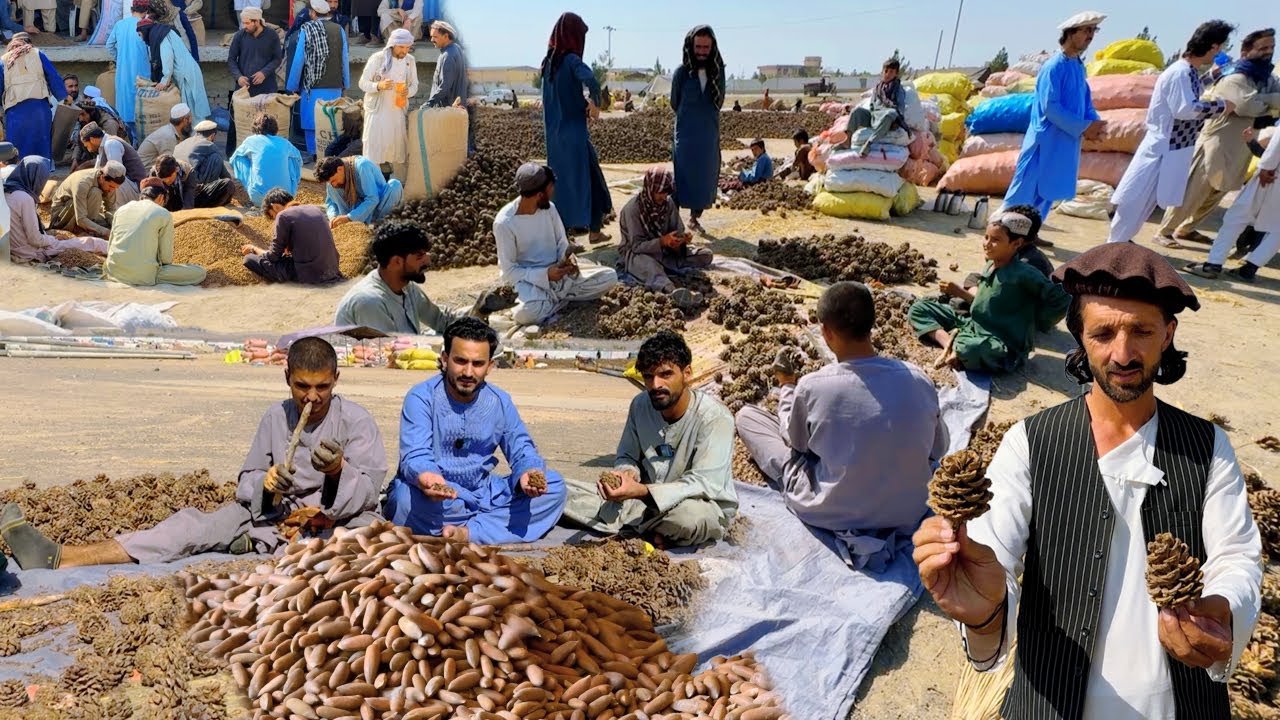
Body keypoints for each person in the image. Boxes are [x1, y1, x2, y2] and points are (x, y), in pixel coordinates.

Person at [912, 242, 1261, 718]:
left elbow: (1237, 557)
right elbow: (992, 552)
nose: (1123, 353)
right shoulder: (1030, 442)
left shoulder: (1207, 445)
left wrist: (1221, 607)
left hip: (1179, 705)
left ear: (1168, 335)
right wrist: (985, 612)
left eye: (1141, 330)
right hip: (1049, 703)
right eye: (1103, 333)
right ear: (1079, 337)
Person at [1, 338, 388, 570]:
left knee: (366, 542)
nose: (312, 397)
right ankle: (62, 558)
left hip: (334, 524)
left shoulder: (356, 420)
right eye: (302, 386)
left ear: (336, 379)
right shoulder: (275, 416)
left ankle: (262, 547)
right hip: (274, 516)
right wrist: (266, 484)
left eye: (322, 387)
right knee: (191, 526)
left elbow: (369, 492)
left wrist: (338, 471)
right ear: (286, 378)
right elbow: (247, 481)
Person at [736, 282, 945, 568]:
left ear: (826, 332)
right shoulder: (919, 378)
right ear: (872, 323)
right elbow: (938, 448)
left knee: (749, 417)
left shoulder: (813, 386)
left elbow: (796, 443)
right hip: (909, 509)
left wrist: (787, 388)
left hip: (830, 509)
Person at [382, 317, 567, 544]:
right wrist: (429, 479)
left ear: (490, 366)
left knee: (555, 487)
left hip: (482, 493)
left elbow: (521, 448)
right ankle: (489, 527)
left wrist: (528, 472)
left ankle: (467, 533)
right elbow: (415, 454)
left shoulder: (499, 401)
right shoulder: (422, 397)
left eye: (478, 364)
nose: (468, 372)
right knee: (404, 500)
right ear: (445, 359)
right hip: (439, 498)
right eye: (460, 361)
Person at [563, 331, 737, 547]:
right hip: (641, 500)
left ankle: (636, 527)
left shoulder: (715, 418)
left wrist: (643, 492)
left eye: (666, 374)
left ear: (687, 373)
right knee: (560, 489)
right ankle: (648, 530)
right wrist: (628, 473)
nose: (655, 385)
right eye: (648, 376)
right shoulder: (640, 405)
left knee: (690, 519)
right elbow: (627, 455)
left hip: (694, 503)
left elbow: (703, 483)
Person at [1107, 22, 1235, 247]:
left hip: (1173, 148)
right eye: (1220, 48)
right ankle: (1114, 244)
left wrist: (1213, 76)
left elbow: (1190, 92)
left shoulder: (1188, 72)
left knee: (1147, 201)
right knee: (1136, 198)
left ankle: (1122, 242)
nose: (1220, 53)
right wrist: (1221, 106)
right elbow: (1184, 109)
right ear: (1213, 47)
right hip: (1163, 147)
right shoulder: (1180, 73)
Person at [1156, 28, 1280, 245]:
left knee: (1219, 191)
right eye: (1262, 48)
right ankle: (1165, 231)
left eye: (1271, 48)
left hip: (1242, 146)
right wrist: (1268, 104)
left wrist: (1262, 100)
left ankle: (1187, 229)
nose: (1268, 52)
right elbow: (1245, 106)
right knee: (1196, 189)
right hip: (1218, 142)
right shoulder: (1234, 75)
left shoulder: (1267, 78)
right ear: (1246, 51)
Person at [909, 211, 1071, 373]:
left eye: (995, 240)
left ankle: (960, 348)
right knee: (919, 308)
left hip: (1000, 340)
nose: (987, 244)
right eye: (986, 237)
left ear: (1016, 243)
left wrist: (1038, 321)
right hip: (973, 325)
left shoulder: (1024, 274)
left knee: (972, 349)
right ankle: (949, 345)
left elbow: (1061, 298)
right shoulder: (991, 263)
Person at [1002, 11, 1106, 219]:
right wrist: (1083, 127)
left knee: (1048, 190)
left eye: (1094, 30)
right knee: (1025, 188)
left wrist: (1094, 122)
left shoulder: (1077, 67)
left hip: (1065, 141)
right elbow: (1051, 107)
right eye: (1086, 30)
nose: (1091, 35)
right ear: (1070, 33)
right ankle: (1006, 230)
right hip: (1046, 140)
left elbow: (1084, 101)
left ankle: (1031, 232)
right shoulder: (1054, 67)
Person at [493, 162, 618, 327]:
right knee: (525, 313)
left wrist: (567, 260)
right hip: (529, 282)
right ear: (539, 194)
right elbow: (509, 272)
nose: (552, 193)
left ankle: (554, 300)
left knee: (609, 277)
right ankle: (559, 299)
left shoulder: (549, 209)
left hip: (560, 274)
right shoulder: (504, 223)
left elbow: (561, 243)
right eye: (550, 188)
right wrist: (545, 274)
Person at [540, 12, 611, 244]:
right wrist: (595, 104)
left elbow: (562, 98)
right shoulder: (571, 60)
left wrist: (582, 104)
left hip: (554, 138)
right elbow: (590, 80)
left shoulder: (548, 64)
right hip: (575, 137)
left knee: (561, 187)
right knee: (591, 182)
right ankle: (591, 231)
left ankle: (574, 236)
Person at [1184, 120, 1280, 283]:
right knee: (1276, 229)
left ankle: (1213, 264)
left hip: (1272, 178)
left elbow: (1276, 145)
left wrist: (1266, 167)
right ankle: (1249, 270)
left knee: (1236, 218)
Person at [334, 220, 467, 333]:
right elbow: (388, 355)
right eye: (419, 257)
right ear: (396, 262)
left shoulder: (406, 287)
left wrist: (479, 311)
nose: (428, 261)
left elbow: (441, 320)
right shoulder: (369, 302)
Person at [618, 166, 711, 308]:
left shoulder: (668, 203)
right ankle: (672, 291)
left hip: (666, 251)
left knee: (705, 255)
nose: (663, 196)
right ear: (650, 188)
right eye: (660, 192)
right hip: (637, 253)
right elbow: (636, 246)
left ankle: (670, 267)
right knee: (651, 268)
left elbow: (677, 229)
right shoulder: (632, 210)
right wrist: (661, 241)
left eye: (666, 192)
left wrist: (681, 239)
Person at [101, 177, 205, 285]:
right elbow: (166, 259)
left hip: (113, 271)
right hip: (143, 276)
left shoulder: (121, 210)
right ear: (161, 197)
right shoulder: (163, 213)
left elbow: (110, 247)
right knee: (199, 272)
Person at [671, 24, 724, 234]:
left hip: (708, 135)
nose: (702, 51)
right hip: (686, 135)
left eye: (706, 47)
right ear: (690, 46)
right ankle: (673, 221)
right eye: (698, 47)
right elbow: (675, 102)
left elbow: (719, 102)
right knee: (682, 176)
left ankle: (694, 218)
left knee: (706, 176)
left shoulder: (718, 72)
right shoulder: (681, 73)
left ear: (712, 47)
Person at [4, 156, 108, 263]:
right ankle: (119, 251)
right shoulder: (24, 198)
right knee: (92, 243)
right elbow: (35, 239)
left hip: (12, 249)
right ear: (36, 177)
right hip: (30, 252)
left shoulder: (6, 192)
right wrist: (53, 240)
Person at [285, 0, 349, 154]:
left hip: (311, 88)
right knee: (331, 123)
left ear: (313, 13)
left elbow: (299, 60)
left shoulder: (306, 29)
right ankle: (330, 155)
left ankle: (315, 155)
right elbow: (344, 59)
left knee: (311, 123)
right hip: (335, 87)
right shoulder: (339, 29)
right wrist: (345, 83)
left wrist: (292, 87)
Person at [243, 187, 342, 284]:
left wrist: (254, 249)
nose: (275, 220)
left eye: (273, 216)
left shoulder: (283, 216)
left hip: (310, 275)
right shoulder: (315, 209)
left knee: (250, 259)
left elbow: (273, 257)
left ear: (275, 207)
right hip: (333, 270)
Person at [0, 33, 68, 158]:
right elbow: (53, 77)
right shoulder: (37, 54)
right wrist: (64, 97)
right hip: (40, 109)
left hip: (16, 112)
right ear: (28, 43)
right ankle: (41, 173)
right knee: (40, 145)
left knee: (16, 148)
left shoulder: (4, 60)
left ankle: (18, 173)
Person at [359, 28, 418, 170]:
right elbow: (362, 83)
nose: (405, 51)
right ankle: (373, 186)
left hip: (397, 111)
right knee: (373, 152)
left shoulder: (410, 61)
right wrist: (378, 85)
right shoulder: (377, 59)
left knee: (398, 151)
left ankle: (396, 186)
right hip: (378, 111)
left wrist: (408, 91)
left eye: (408, 47)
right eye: (402, 47)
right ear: (392, 45)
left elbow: (415, 85)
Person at [137, 17, 210, 122]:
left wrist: (164, 81)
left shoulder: (160, 36)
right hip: (187, 72)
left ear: (145, 31)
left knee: (192, 112)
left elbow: (167, 58)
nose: (142, 38)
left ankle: (197, 136)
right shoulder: (160, 32)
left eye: (140, 35)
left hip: (187, 75)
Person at [230, 113, 302, 205]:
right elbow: (299, 160)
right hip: (285, 198)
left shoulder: (251, 140)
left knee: (239, 157)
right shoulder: (285, 143)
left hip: (259, 199)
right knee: (292, 160)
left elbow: (233, 158)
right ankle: (290, 188)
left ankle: (250, 186)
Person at [316, 155, 403, 227]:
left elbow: (373, 199)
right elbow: (330, 203)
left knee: (395, 185)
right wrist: (333, 217)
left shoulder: (362, 166)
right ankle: (349, 226)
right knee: (334, 188)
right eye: (330, 182)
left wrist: (349, 217)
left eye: (333, 180)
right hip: (354, 213)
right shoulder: (333, 179)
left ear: (340, 169)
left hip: (378, 209)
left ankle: (380, 227)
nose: (333, 184)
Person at [426, 20, 470, 152]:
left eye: (435, 37)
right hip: (456, 108)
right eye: (431, 36)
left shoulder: (448, 56)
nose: (432, 40)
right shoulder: (456, 49)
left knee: (448, 148)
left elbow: (444, 86)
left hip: (449, 109)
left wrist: (429, 104)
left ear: (446, 36)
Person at [49, 162, 123, 237]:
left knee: (110, 224)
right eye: (110, 186)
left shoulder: (110, 184)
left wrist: (115, 225)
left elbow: (110, 209)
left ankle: (89, 226)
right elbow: (80, 219)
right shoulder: (82, 183)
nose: (111, 190)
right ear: (102, 178)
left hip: (83, 213)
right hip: (60, 216)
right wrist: (106, 232)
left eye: (115, 187)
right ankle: (81, 229)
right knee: (95, 192)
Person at [107, 3, 148, 137]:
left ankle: (131, 140)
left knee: (124, 108)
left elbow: (109, 45)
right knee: (141, 107)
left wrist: (118, 58)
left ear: (131, 9)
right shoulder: (146, 25)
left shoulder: (120, 25)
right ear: (146, 11)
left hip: (123, 73)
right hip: (143, 73)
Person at [82, 121, 147, 203]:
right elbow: (96, 171)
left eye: (87, 146)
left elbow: (116, 173)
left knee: (110, 181)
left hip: (136, 188)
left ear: (92, 140)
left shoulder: (111, 144)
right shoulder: (103, 145)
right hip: (129, 185)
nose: (88, 149)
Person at [151, 152, 244, 210]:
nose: (167, 181)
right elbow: (149, 199)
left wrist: (186, 213)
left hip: (190, 199)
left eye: (169, 178)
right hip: (168, 205)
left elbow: (188, 201)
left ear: (175, 170)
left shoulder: (187, 171)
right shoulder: (154, 173)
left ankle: (201, 212)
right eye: (164, 180)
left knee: (227, 185)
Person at [229, 6, 283, 97]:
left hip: (267, 88)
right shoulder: (239, 36)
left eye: (247, 23)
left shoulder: (272, 35)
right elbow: (231, 59)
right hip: (244, 89)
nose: (244, 26)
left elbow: (277, 59)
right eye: (243, 23)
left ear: (257, 21)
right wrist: (238, 77)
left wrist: (264, 72)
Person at [175, 119, 237, 188]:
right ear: (212, 135)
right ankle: (210, 189)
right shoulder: (209, 144)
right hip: (191, 181)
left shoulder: (184, 142)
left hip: (177, 179)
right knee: (216, 158)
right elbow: (222, 169)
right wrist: (229, 181)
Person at [137, 102, 192, 167]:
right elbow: (169, 164)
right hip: (146, 172)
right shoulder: (168, 137)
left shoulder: (171, 130)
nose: (192, 120)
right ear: (185, 120)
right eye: (191, 117)